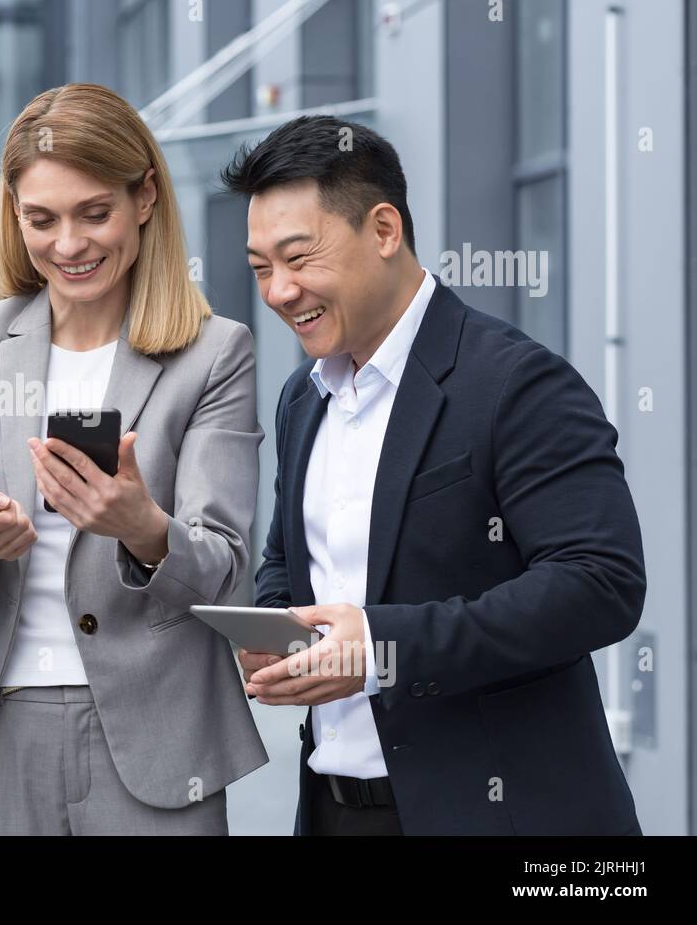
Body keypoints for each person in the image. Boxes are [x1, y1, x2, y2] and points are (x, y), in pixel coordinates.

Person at [226, 115, 645, 835]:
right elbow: (290, 561)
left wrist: (382, 648)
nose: (279, 291)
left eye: (298, 258)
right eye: (261, 268)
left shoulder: (516, 383)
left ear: (384, 230)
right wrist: (277, 628)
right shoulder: (304, 398)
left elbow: (600, 583)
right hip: (333, 812)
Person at [0, 83, 267, 835]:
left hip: (156, 736)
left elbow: (226, 566)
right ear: (14, 216)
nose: (68, 244)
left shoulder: (214, 353)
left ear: (146, 200)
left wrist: (144, 528)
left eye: (94, 213)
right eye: (42, 219)